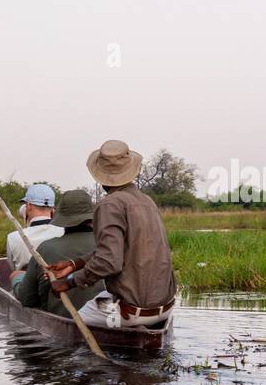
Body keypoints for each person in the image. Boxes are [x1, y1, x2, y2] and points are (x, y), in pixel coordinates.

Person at [45, 140, 177, 329]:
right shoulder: (147, 201)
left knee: (74, 326)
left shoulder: (110, 204)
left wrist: (70, 282)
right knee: (101, 299)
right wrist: (74, 264)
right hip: (165, 308)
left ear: (99, 175)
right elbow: (118, 250)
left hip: (131, 311)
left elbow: (109, 261)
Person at [13, 189, 105, 316]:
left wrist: (16, 280)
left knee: (17, 275)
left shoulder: (46, 248)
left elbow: (27, 299)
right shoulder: (108, 246)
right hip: (108, 317)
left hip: (63, 318)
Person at [6, 183, 61, 271]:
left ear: (29, 206)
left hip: (25, 283)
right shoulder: (63, 233)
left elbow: (13, 268)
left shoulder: (13, 237)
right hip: (56, 282)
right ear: (52, 208)